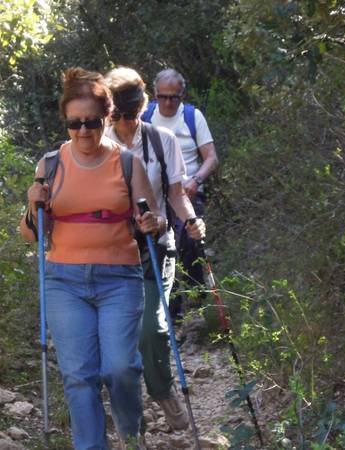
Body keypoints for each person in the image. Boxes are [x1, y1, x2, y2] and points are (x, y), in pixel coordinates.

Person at [19, 67, 165, 450]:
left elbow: (154, 219)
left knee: (120, 369)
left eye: (92, 122)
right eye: (74, 123)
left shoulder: (128, 162)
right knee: (79, 375)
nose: (83, 131)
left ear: (108, 117)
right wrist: (33, 207)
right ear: (66, 122)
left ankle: (132, 437)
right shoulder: (50, 165)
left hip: (119, 278)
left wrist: (153, 222)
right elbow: (30, 234)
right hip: (64, 280)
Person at [103, 67, 206, 433]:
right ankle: (128, 411)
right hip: (112, 253)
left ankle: (164, 395)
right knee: (119, 336)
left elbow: (176, 195)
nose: (126, 117)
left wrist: (192, 222)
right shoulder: (95, 144)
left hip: (157, 247)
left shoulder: (162, 140)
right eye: (121, 109)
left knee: (152, 328)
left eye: (129, 108)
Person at [142, 68, 219, 317]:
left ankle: (199, 304)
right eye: (162, 96)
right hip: (155, 194)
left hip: (188, 191)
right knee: (161, 246)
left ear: (181, 95)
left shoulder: (192, 116)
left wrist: (196, 180)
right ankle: (170, 310)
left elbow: (211, 158)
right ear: (154, 94)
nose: (167, 102)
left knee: (191, 243)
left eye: (173, 97)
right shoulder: (145, 116)